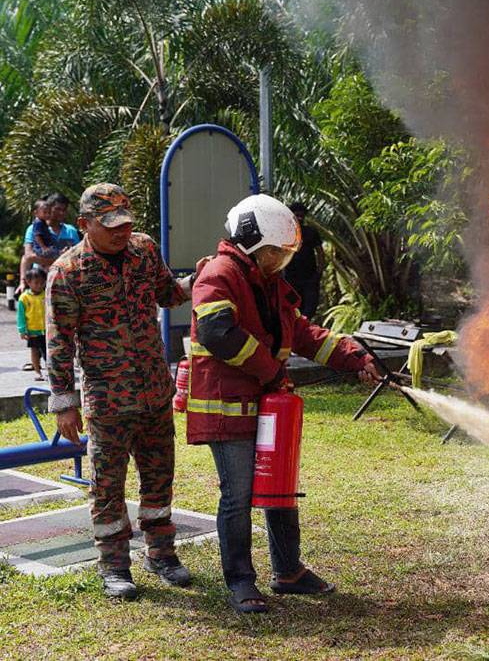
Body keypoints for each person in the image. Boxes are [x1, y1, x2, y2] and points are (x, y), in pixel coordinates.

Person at [187, 194, 379, 614]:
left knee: (280, 487)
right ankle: (240, 581)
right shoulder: (218, 274)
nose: (281, 261)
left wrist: (354, 356)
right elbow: (219, 333)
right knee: (237, 496)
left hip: (266, 405)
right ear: (253, 243)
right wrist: (270, 372)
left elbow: (302, 332)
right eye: (276, 252)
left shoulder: (267, 281)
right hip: (229, 407)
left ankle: (288, 572)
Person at [47, 183, 207, 600]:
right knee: (107, 485)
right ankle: (115, 565)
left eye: (126, 223)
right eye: (110, 225)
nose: (121, 232)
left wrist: (196, 280)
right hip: (107, 400)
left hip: (154, 391)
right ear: (85, 224)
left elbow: (166, 292)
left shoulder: (144, 250)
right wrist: (63, 402)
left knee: (159, 479)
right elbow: (59, 341)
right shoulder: (67, 272)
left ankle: (162, 554)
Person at [19, 193, 81, 290]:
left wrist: (45, 260)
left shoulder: (71, 231)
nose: (61, 213)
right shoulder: (33, 229)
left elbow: (78, 258)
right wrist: (62, 259)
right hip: (40, 284)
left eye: (64, 210)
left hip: (67, 284)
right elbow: (29, 256)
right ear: (48, 208)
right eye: (58, 209)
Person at [283, 202, 326, 318]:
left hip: (310, 278)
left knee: (310, 309)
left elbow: (320, 252)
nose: (300, 218)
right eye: (297, 215)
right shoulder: (286, 233)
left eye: (302, 216)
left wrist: (319, 272)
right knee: (293, 309)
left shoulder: (311, 232)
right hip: (291, 280)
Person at [17, 267, 47, 381]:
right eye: (36, 283)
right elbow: (21, 316)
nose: (39, 285)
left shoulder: (46, 295)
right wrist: (22, 330)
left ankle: (49, 371)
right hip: (32, 331)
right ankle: (38, 372)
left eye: (42, 283)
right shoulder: (24, 298)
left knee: (48, 352)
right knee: (34, 352)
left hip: (46, 330)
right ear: (28, 282)